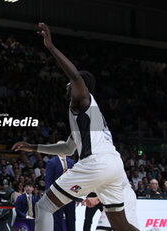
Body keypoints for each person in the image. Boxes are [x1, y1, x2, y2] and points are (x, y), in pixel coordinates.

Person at [11, 22, 138, 231]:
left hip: (95, 164)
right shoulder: (91, 116)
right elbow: (68, 149)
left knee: (43, 207)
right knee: (121, 225)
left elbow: (75, 77)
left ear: (82, 88)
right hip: (114, 166)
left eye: (71, 84)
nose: (68, 86)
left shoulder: (83, 100)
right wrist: (34, 147)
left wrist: (50, 46)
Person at [45, 149, 76, 231]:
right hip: (57, 195)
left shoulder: (72, 162)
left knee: (71, 218)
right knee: (57, 219)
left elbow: (75, 179)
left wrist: (76, 194)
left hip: (70, 195)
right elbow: (48, 180)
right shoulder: (51, 162)